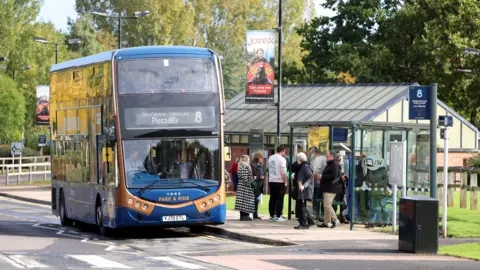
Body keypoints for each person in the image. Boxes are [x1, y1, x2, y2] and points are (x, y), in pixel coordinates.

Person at [317, 151, 342, 228]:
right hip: (328, 187)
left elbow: (333, 176)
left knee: (327, 205)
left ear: (332, 156)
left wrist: (322, 176)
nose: (326, 157)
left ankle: (335, 220)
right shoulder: (331, 164)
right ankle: (327, 222)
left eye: (327, 156)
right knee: (327, 205)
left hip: (331, 188)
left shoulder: (333, 164)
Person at [294, 152, 315, 229]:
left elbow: (310, 177)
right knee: (304, 207)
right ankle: (309, 222)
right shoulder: (304, 166)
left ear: (300, 160)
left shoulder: (305, 167)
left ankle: (304, 224)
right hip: (304, 191)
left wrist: (304, 185)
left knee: (302, 207)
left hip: (305, 191)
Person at [268, 146, 288, 222]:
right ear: (282, 151)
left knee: (272, 198)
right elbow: (283, 172)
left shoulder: (270, 157)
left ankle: (272, 215)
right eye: (284, 152)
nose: (285, 153)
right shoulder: (282, 159)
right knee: (280, 198)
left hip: (272, 180)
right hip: (280, 181)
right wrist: (285, 181)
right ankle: (279, 215)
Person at [234, 155, 256, 221]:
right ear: (246, 159)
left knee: (242, 203)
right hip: (245, 187)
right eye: (248, 159)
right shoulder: (244, 166)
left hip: (242, 186)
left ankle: (243, 216)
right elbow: (245, 177)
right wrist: (251, 183)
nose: (249, 160)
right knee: (245, 202)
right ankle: (245, 216)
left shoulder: (240, 165)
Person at [310, 147, 327, 222]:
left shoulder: (323, 159)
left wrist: (318, 175)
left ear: (315, 152)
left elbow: (324, 170)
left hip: (320, 183)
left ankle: (321, 215)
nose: (310, 154)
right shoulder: (312, 159)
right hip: (314, 183)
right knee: (315, 199)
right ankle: (315, 214)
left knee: (321, 199)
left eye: (311, 152)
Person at [251, 152, 265, 219]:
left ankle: (255, 214)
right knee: (254, 199)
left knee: (257, 199)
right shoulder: (253, 164)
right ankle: (254, 214)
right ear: (258, 157)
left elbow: (263, 173)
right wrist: (260, 177)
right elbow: (254, 175)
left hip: (260, 184)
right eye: (261, 158)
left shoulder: (260, 165)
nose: (262, 159)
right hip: (256, 184)